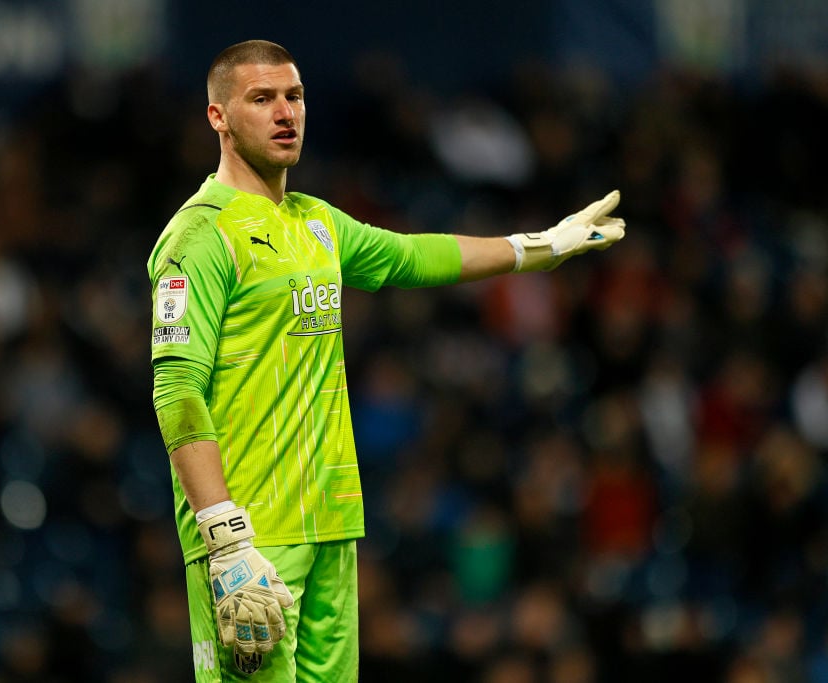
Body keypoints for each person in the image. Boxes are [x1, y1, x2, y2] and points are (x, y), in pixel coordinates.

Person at [147, 39, 625, 682]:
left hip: (330, 523)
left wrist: (536, 246)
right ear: (219, 117)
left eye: (295, 96)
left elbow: (412, 256)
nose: (285, 112)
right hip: (251, 535)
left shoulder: (314, 222)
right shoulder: (198, 237)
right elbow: (176, 391)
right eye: (262, 99)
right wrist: (225, 540)